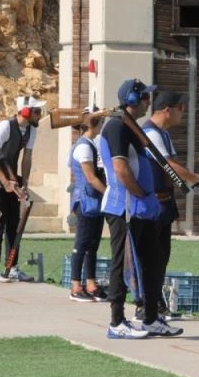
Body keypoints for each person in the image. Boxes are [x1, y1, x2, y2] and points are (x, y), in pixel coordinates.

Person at [99, 78, 182, 339]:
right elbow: (120, 169)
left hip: (140, 207)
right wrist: (142, 195)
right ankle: (116, 321)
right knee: (120, 263)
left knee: (153, 260)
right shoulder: (116, 127)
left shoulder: (130, 126)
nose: (149, 101)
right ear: (133, 100)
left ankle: (150, 318)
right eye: (145, 97)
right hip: (123, 206)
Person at [136, 90, 199, 321]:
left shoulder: (162, 134)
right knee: (152, 257)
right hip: (154, 205)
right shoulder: (152, 133)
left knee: (160, 256)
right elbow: (169, 166)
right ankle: (146, 305)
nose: (184, 112)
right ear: (167, 110)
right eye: (181, 108)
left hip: (163, 204)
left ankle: (155, 304)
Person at [0, 95, 45, 282]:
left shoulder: (31, 131)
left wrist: (24, 183)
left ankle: (12, 267)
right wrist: (5, 181)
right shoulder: (5, 127)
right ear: (25, 111)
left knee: (13, 225)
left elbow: (26, 158)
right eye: (37, 111)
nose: (39, 115)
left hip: (12, 180)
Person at [67, 109, 108, 302]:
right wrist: (108, 192)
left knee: (93, 244)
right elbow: (90, 178)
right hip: (85, 200)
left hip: (95, 200)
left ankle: (91, 283)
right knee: (82, 243)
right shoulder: (83, 147)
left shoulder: (92, 144)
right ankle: (76, 286)